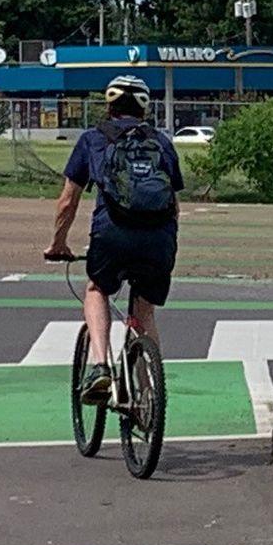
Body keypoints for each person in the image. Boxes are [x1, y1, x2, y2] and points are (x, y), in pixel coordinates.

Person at [45, 75, 185, 403]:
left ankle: (100, 368)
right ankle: (149, 396)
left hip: (112, 234)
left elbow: (68, 201)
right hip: (159, 239)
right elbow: (174, 206)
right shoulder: (162, 143)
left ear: (109, 104)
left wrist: (58, 243)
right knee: (144, 311)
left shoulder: (93, 139)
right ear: (144, 108)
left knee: (96, 288)